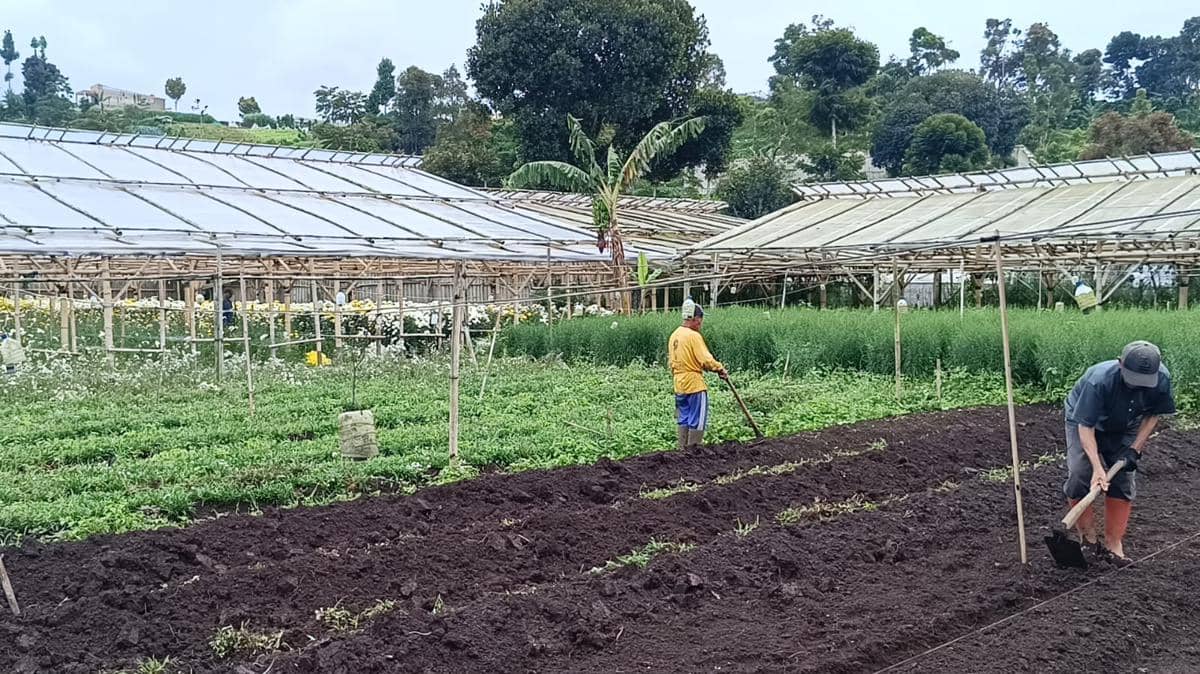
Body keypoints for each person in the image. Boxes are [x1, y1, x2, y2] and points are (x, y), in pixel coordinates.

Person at [1063, 340, 1175, 559]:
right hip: (1085, 420)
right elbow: (1086, 426)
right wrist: (1097, 468)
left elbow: (1153, 414)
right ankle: (1088, 538)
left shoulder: (1161, 378)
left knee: (1123, 479)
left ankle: (1114, 544)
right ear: (1120, 364)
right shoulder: (1099, 380)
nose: (1138, 385)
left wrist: (1134, 449)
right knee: (1079, 473)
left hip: (1127, 424)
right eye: (1134, 379)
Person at [668, 299, 727, 450]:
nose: (701, 323)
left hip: (679, 384)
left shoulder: (674, 335)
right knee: (697, 420)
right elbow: (706, 360)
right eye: (700, 320)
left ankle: (682, 451)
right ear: (695, 319)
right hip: (694, 385)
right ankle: (693, 453)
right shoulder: (693, 336)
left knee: (684, 418)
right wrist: (719, 369)